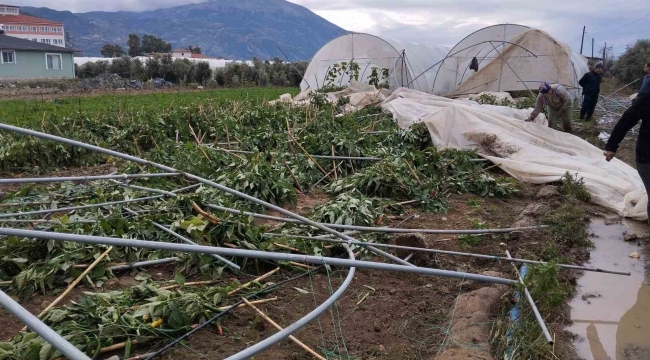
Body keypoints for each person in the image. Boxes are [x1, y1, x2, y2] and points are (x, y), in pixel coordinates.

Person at [603, 91, 650, 222]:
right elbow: (627, 119)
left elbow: (627, 119)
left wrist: (611, 146)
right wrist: (611, 146)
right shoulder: (647, 98)